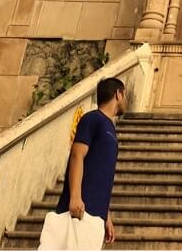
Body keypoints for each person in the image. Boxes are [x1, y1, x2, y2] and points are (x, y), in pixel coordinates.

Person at [54, 77, 125, 246]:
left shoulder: (110, 129)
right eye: (125, 94)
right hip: (80, 209)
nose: (125, 100)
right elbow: (77, 156)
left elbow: (101, 173)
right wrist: (76, 197)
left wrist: (106, 215)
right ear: (118, 94)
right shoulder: (92, 119)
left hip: (96, 215)